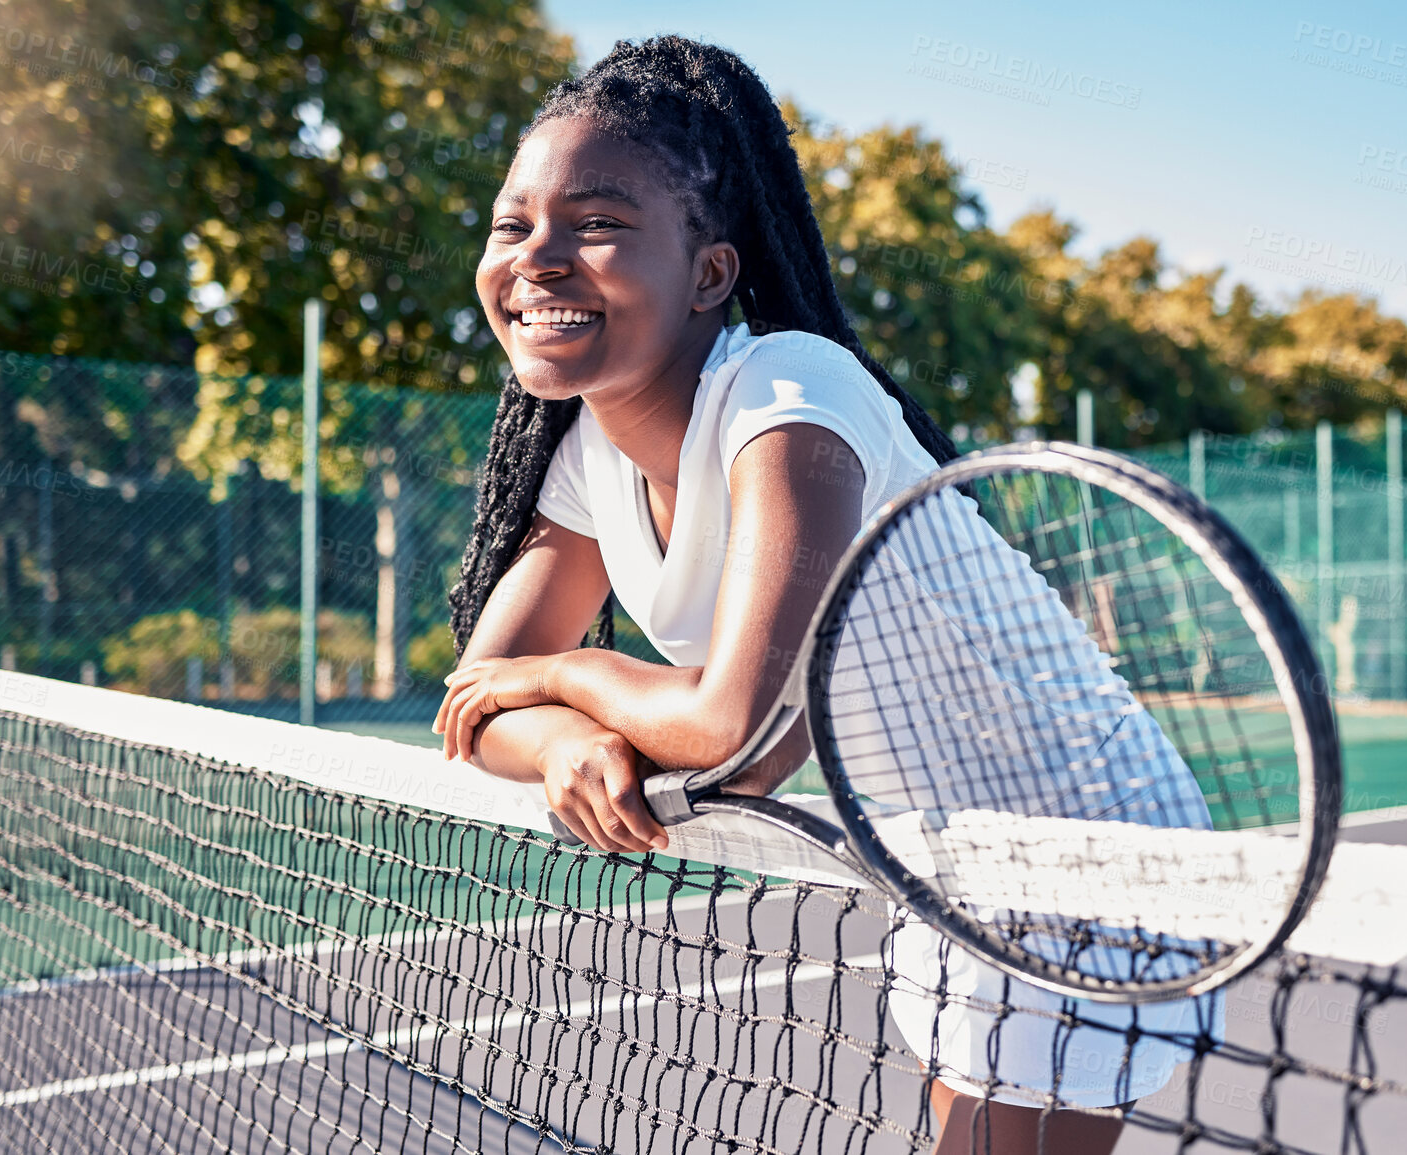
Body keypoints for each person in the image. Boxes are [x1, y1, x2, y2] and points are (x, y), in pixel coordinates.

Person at [432, 36, 1182, 1152]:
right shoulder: (586, 453)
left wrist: (566, 675)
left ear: (711, 272)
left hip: (1088, 834)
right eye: (513, 224)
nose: (538, 258)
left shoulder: (793, 393)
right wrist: (557, 748)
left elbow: (731, 730)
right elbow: (473, 703)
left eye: (596, 224)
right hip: (935, 851)